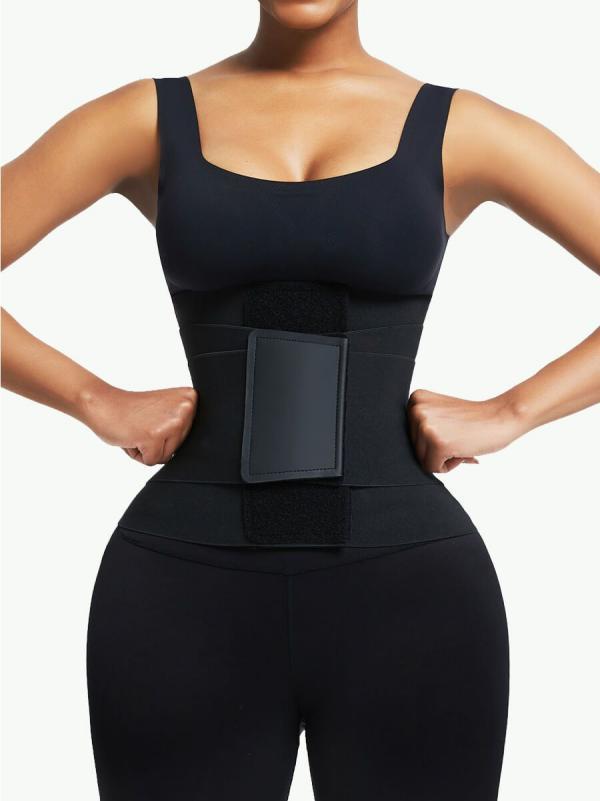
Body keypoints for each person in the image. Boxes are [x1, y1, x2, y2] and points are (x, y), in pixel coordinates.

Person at [2, 2, 599, 799]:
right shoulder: (145, 119)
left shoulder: (463, 128)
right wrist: (91, 398)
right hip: (182, 599)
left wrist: (512, 412)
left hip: (412, 600)